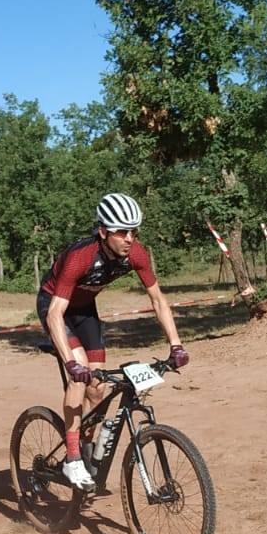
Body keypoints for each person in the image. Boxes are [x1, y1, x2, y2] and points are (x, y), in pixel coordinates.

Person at [37, 193, 189, 491]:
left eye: (134, 231)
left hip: (85, 310)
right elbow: (56, 313)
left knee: (99, 388)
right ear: (104, 231)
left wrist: (176, 345)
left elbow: (158, 300)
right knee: (79, 376)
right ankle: (71, 458)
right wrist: (70, 362)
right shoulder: (80, 256)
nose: (130, 238)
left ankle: (85, 446)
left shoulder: (136, 254)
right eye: (122, 232)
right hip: (55, 306)